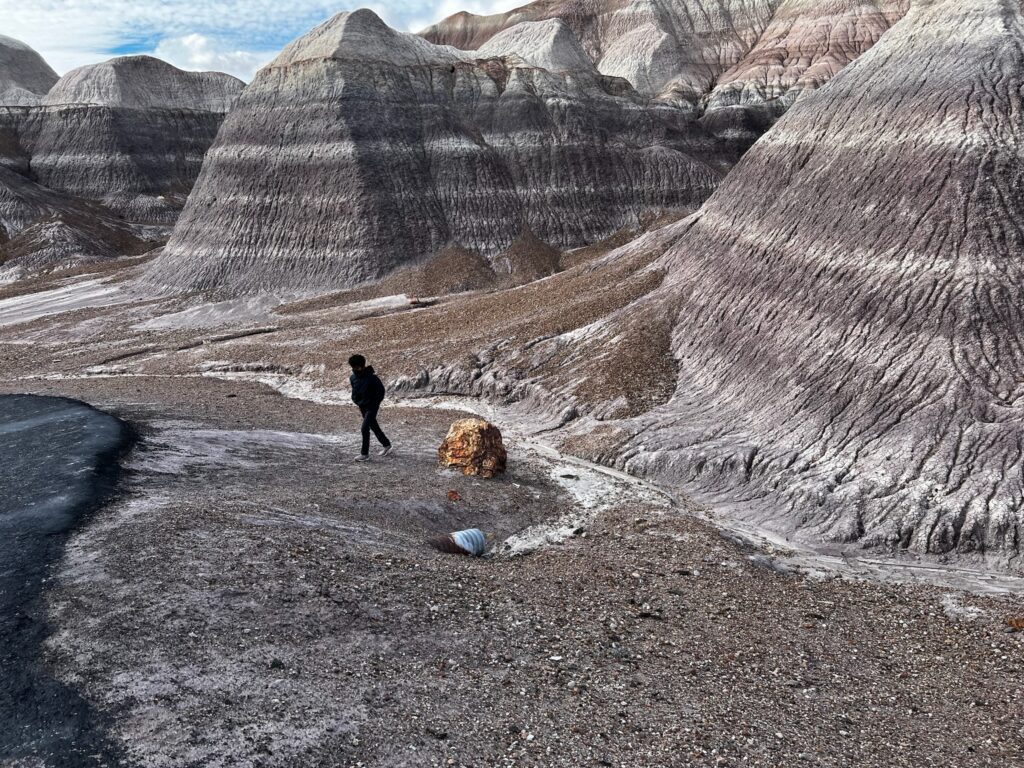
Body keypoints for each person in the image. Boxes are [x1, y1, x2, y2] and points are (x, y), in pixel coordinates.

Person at [348, 354, 392, 461]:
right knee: (373, 426)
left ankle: (364, 454)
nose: (355, 369)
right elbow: (354, 392)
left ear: (361, 366)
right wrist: (357, 401)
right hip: (362, 406)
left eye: (357, 366)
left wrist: (374, 403)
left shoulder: (372, 378)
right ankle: (386, 444)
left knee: (364, 428)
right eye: (353, 367)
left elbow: (381, 391)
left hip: (372, 407)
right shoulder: (353, 378)